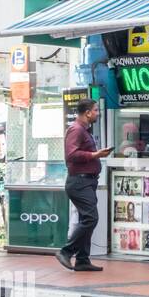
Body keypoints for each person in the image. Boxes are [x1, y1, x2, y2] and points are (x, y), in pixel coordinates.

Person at [60, 98, 112, 272]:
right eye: (96, 110)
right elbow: (71, 155)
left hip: (86, 182)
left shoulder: (84, 131)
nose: (98, 113)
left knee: (86, 218)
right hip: (79, 182)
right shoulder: (76, 130)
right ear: (88, 112)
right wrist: (95, 155)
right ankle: (66, 252)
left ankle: (82, 259)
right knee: (91, 218)